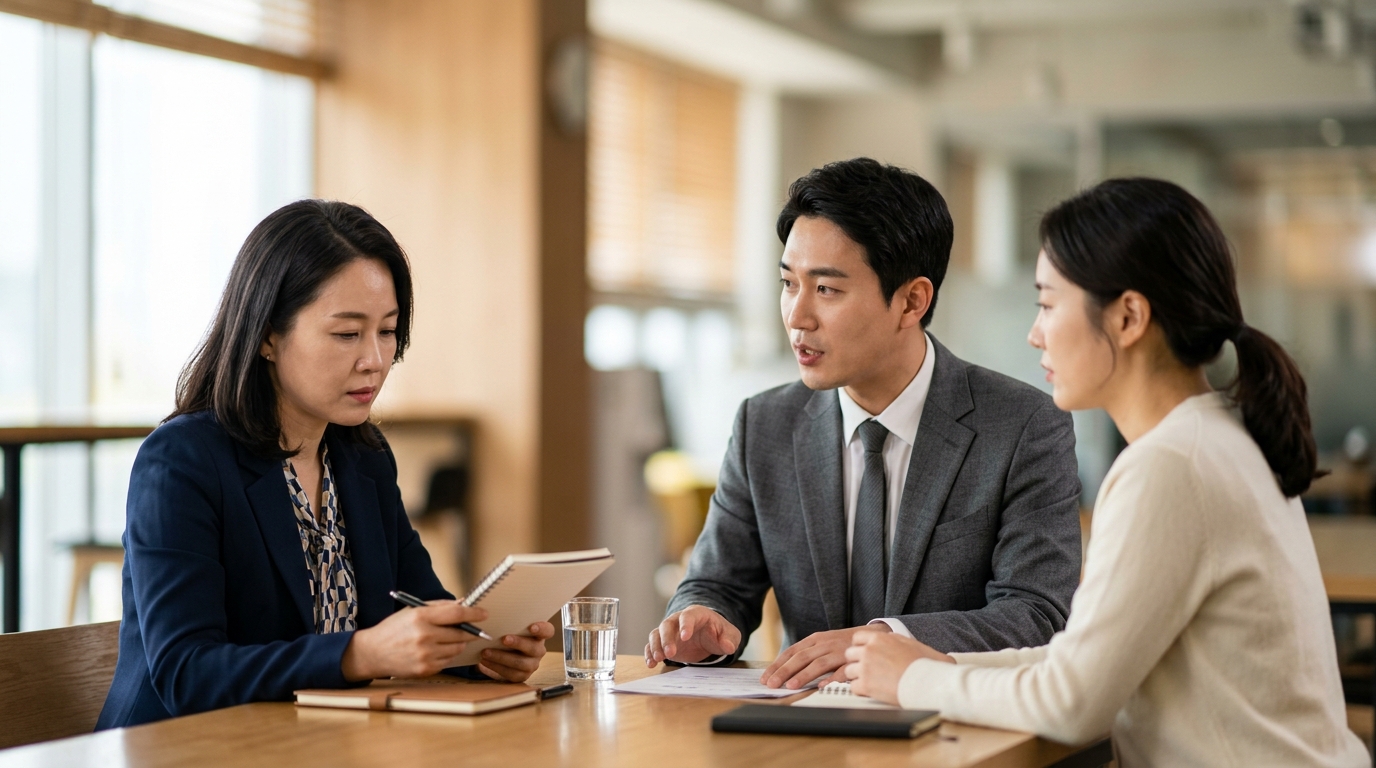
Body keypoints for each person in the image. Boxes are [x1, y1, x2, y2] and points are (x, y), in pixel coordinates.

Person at [843, 178, 1368, 766]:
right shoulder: (1215, 436)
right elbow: (1081, 662)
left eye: (1048, 304)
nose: (1034, 334)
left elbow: (1072, 703)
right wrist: (937, 664)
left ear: (1128, 317)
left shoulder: (1170, 466)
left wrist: (914, 680)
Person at [97, 201, 553, 729]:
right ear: (268, 336)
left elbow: (420, 608)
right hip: (181, 748)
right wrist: (360, 654)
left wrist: (482, 652)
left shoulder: (363, 458)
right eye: (347, 334)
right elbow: (186, 674)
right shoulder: (182, 460)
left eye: (387, 331)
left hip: (312, 742)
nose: (374, 360)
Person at [645, 158, 1083, 690]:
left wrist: (878, 642)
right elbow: (717, 584)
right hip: (799, 724)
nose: (797, 317)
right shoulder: (764, 424)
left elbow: (1036, 615)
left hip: (949, 720)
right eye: (789, 283)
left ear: (912, 301)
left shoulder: (1023, 426)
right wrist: (700, 618)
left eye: (826, 290)